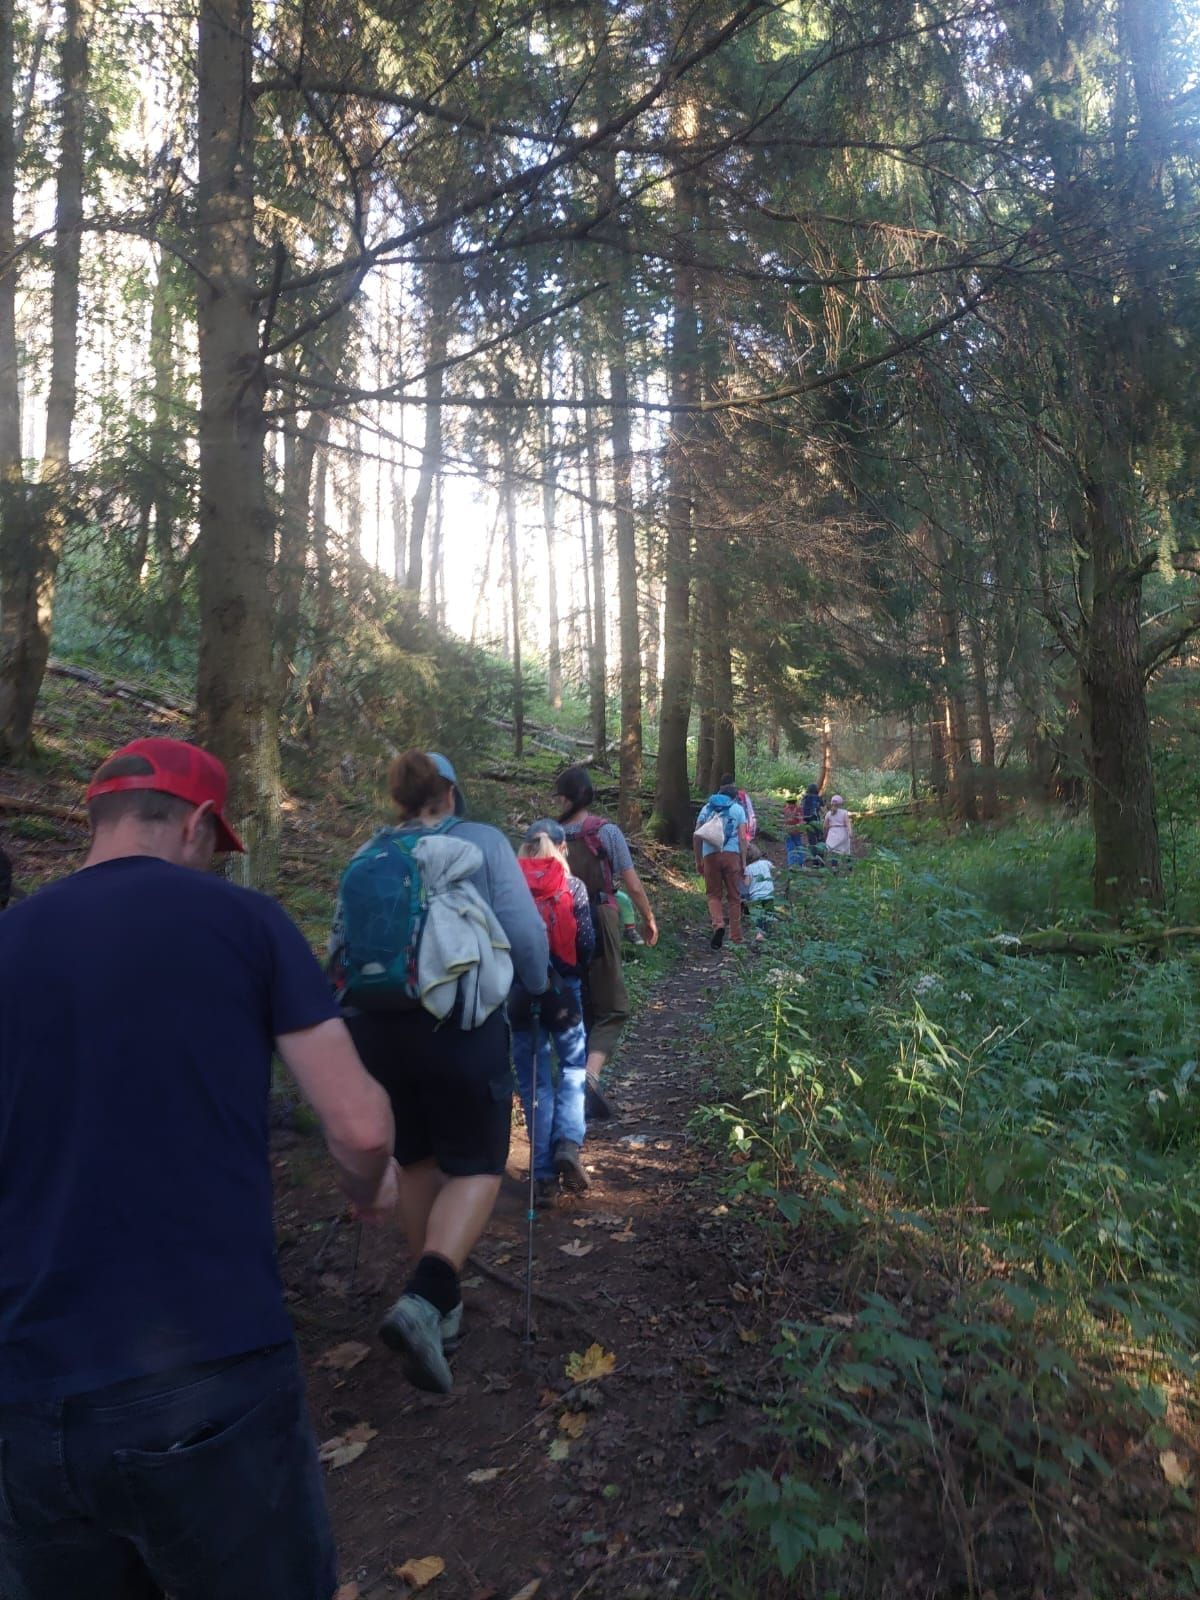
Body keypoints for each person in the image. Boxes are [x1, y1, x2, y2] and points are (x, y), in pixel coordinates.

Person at [0, 737, 398, 1600]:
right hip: (205, 1372)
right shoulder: (244, 923)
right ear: (195, 825)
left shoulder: (10, 939)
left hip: (27, 1392)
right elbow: (362, 1128)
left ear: (94, 820)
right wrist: (370, 1190)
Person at [331, 751, 548, 1395]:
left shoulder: (371, 852)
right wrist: (534, 988)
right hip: (458, 1026)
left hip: (374, 1026)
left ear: (399, 799)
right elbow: (525, 934)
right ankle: (426, 1299)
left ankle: (439, 1308)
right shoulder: (481, 842)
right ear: (450, 795)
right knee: (479, 1162)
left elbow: (342, 945)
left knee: (419, 1158)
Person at [552, 767, 658, 1118]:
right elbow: (632, 883)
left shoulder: (546, 835)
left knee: (577, 999)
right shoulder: (605, 832)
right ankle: (588, 1078)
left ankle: (568, 1083)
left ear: (565, 798)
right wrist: (647, 917)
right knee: (613, 1007)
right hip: (598, 918)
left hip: (555, 924)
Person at [511, 821, 596, 1202]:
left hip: (518, 991)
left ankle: (543, 1175)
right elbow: (586, 941)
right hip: (563, 990)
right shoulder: (571, 885)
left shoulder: (508, 890)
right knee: (574, 1068)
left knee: (535, 1082)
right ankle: (568, 1143)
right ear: (558, 847)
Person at [694, 782, 748, 949]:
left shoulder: (707, 808)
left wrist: (698, 860)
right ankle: (736, 937)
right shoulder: (738, 809)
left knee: (713, 895)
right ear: (733, 797)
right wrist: (743, 861)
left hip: (710, 855)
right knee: (734, 896)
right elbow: (743, 838)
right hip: (731, 855)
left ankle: (718, 925)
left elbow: (696, 835)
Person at [741, 844, 775, 940]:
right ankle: (767, 933)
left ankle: (759, 933)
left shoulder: (748, 869)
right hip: (768, 894)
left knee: (757, 915)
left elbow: (747, 884)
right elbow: (777, 872)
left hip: (755, 895)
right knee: (769, 913)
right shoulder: (766, 863)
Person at [720, 772, 757, 842]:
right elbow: (750, 814)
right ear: (733, 784)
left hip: (720, 835)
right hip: (741, 833)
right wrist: (750, 834)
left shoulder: (716, 800)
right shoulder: (742, 796)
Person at [825, 793, 854, 865]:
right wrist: (850, 832)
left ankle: (834, 868)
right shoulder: (844, 812)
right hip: (843, 833)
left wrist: (825, 834)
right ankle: (850, 867)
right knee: (847, 851)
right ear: (841, 803)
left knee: (834, 851)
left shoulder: (828, 814)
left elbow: (825, 826)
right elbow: (847, 823)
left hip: (832, 834)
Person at [801, 783, 824, 862]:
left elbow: (801, 809)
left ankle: (814, 861)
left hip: (808, 822)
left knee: (812, 841)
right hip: (817, 821)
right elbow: (822, 809)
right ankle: (820, 858)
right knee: (820, 839)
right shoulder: (818, 798)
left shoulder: (804, 798)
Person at [782, 796, 805, 868]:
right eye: (789, 803)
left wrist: (799, 826)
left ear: (795, 803)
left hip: (796, 831)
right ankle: (791, 864)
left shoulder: (799, 809)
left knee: (799, 847)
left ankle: (801, 863)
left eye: (792, 803)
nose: (790, 804)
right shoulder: (785, 810)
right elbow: (783, 820)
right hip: (788, 832)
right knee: (790, 847)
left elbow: (801, 820)